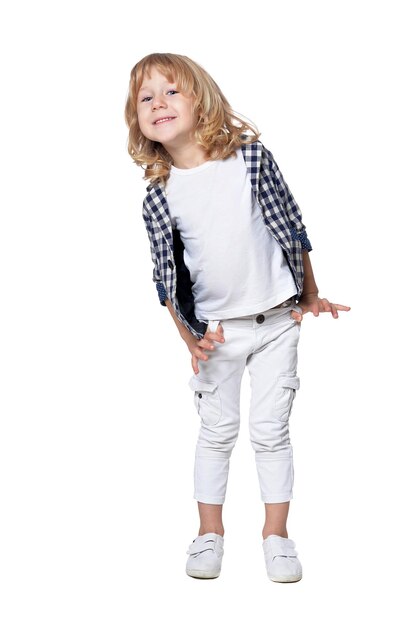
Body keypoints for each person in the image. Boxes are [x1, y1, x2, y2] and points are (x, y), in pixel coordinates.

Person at [124, 52, 350, 583]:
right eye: (145, 97)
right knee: (216, 430)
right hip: (215, 333)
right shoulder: (160, 196)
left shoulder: (249, 159)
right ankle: (209, 534)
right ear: (136, 119)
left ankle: (277, 536)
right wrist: (191, 342)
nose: (158, 102)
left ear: (200, 98)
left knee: (271, 431)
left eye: (171, 91)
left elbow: (293, 227)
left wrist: (310, 294)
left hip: (276, 322)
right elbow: (166, 281)